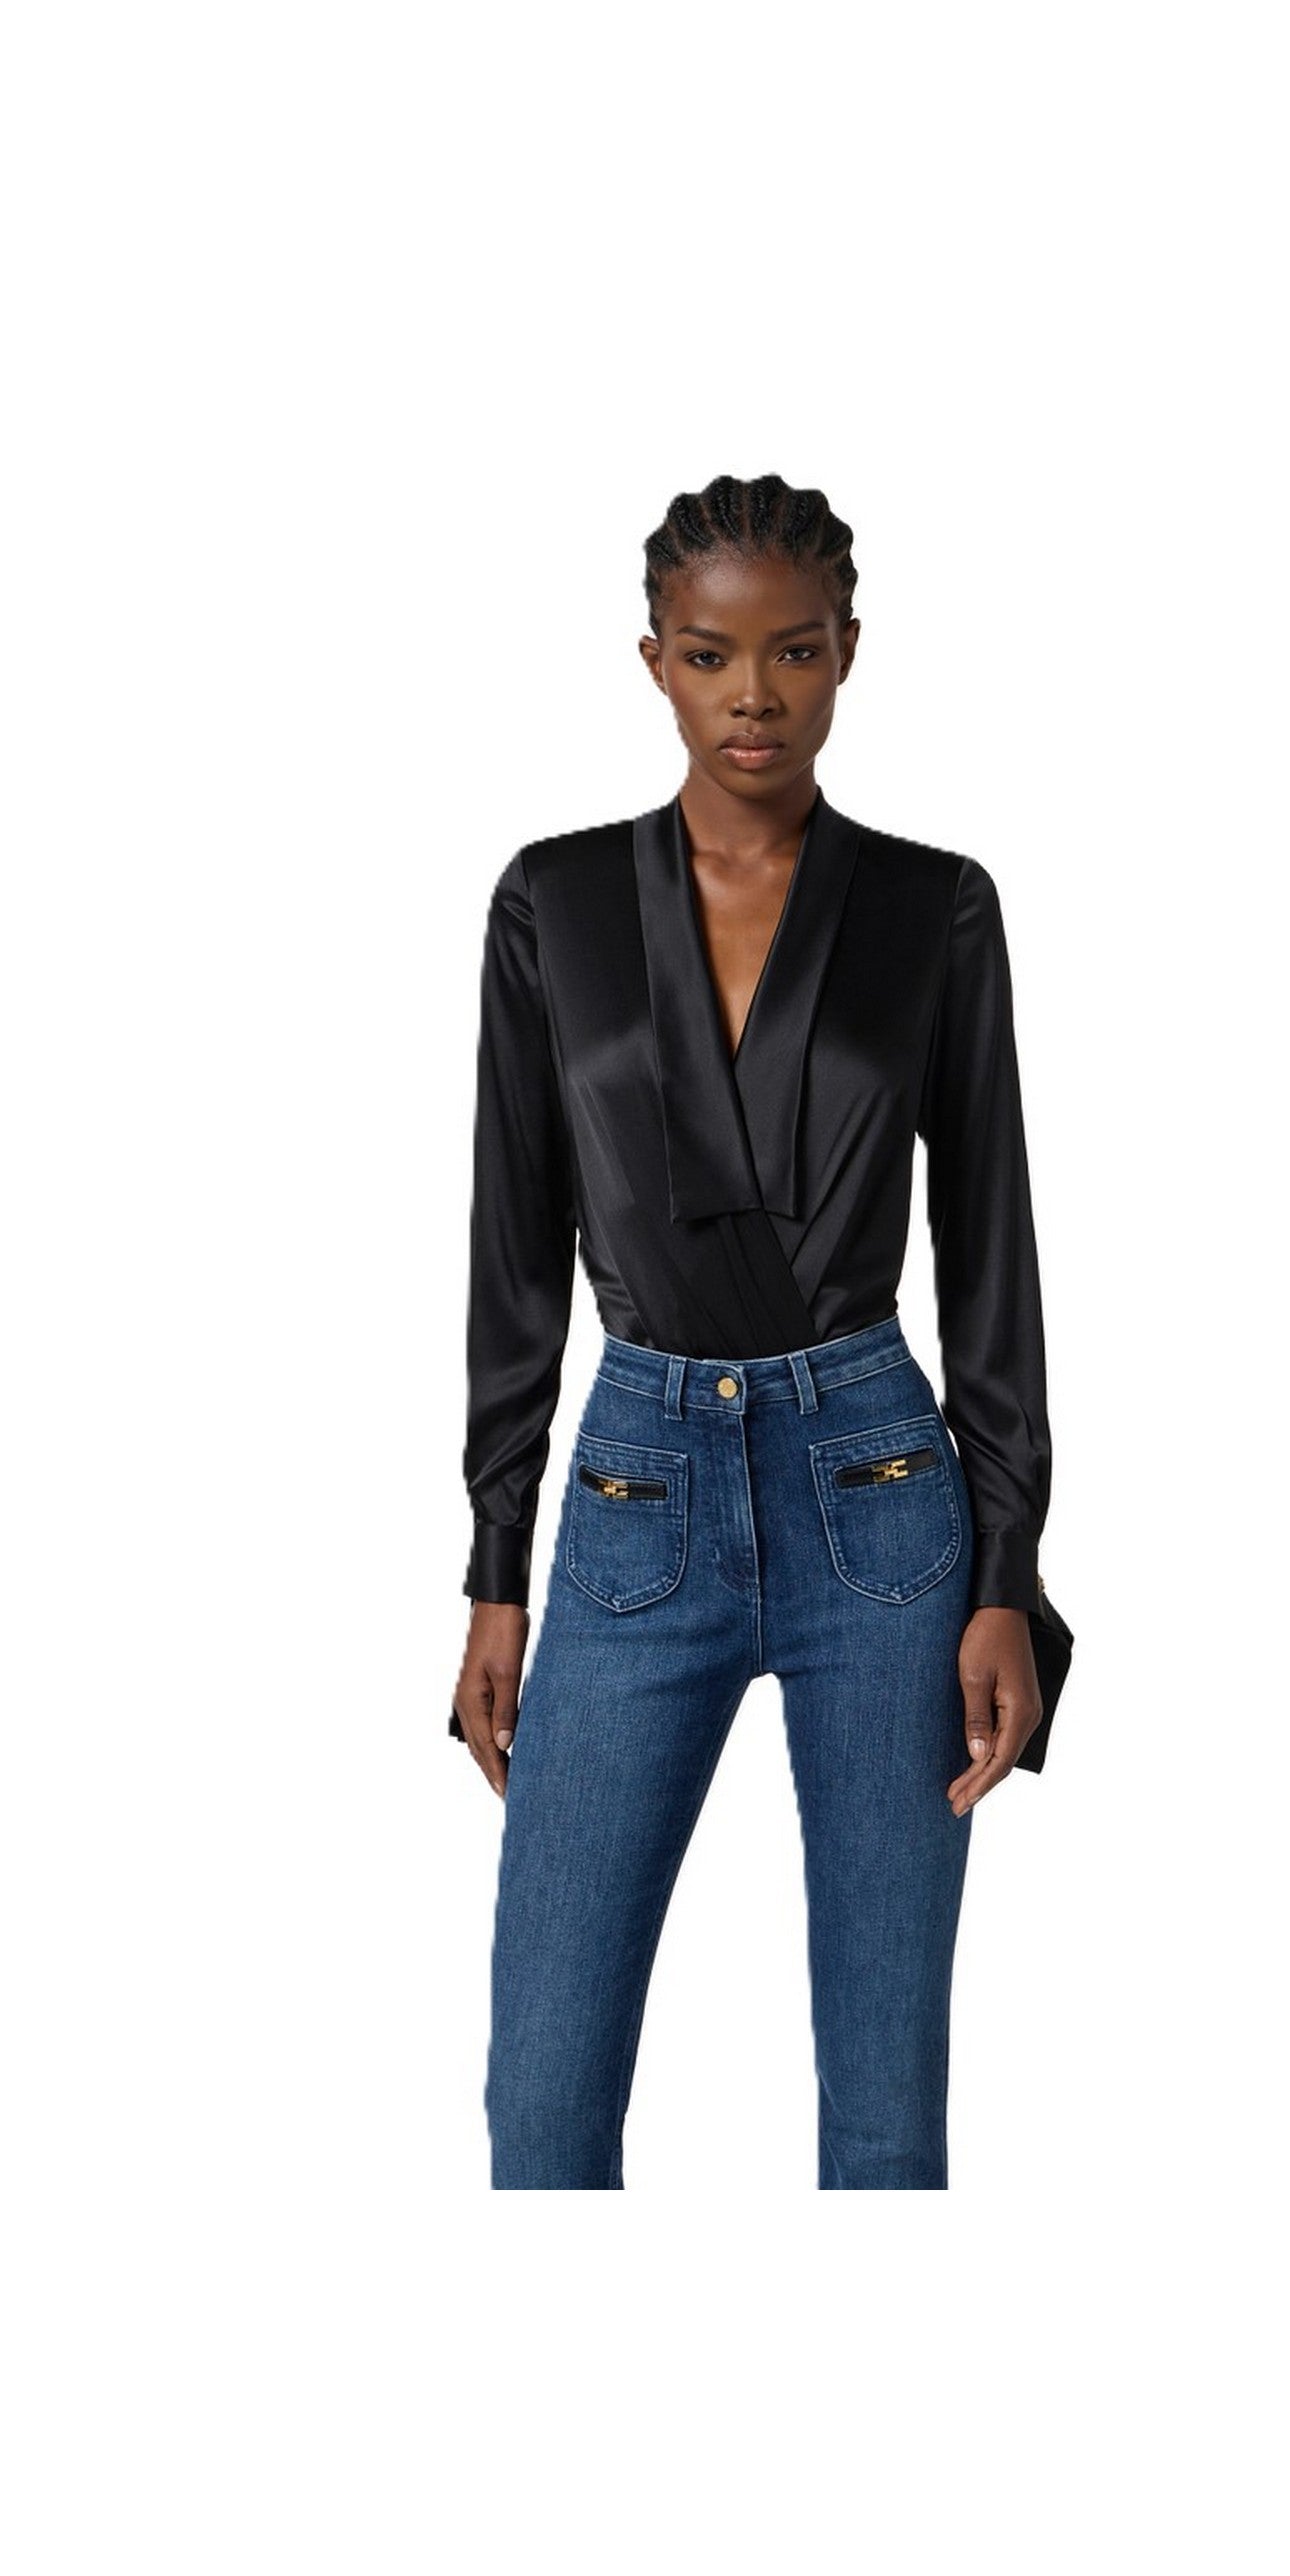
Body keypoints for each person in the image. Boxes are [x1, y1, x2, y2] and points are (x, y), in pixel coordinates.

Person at [450, 472, 1062, 2189]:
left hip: (882, 1494)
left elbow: (991, 1253)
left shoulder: (937, 909)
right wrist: (495, 1566)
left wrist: (1005, 1570)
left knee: (886, 2109)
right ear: (653, 657)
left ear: (849, 651)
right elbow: (513, 1254)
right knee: (543, 2097)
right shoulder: (554, 904)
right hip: (633, 1493)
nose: (754, 695)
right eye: (713, 654)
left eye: (794, 651)